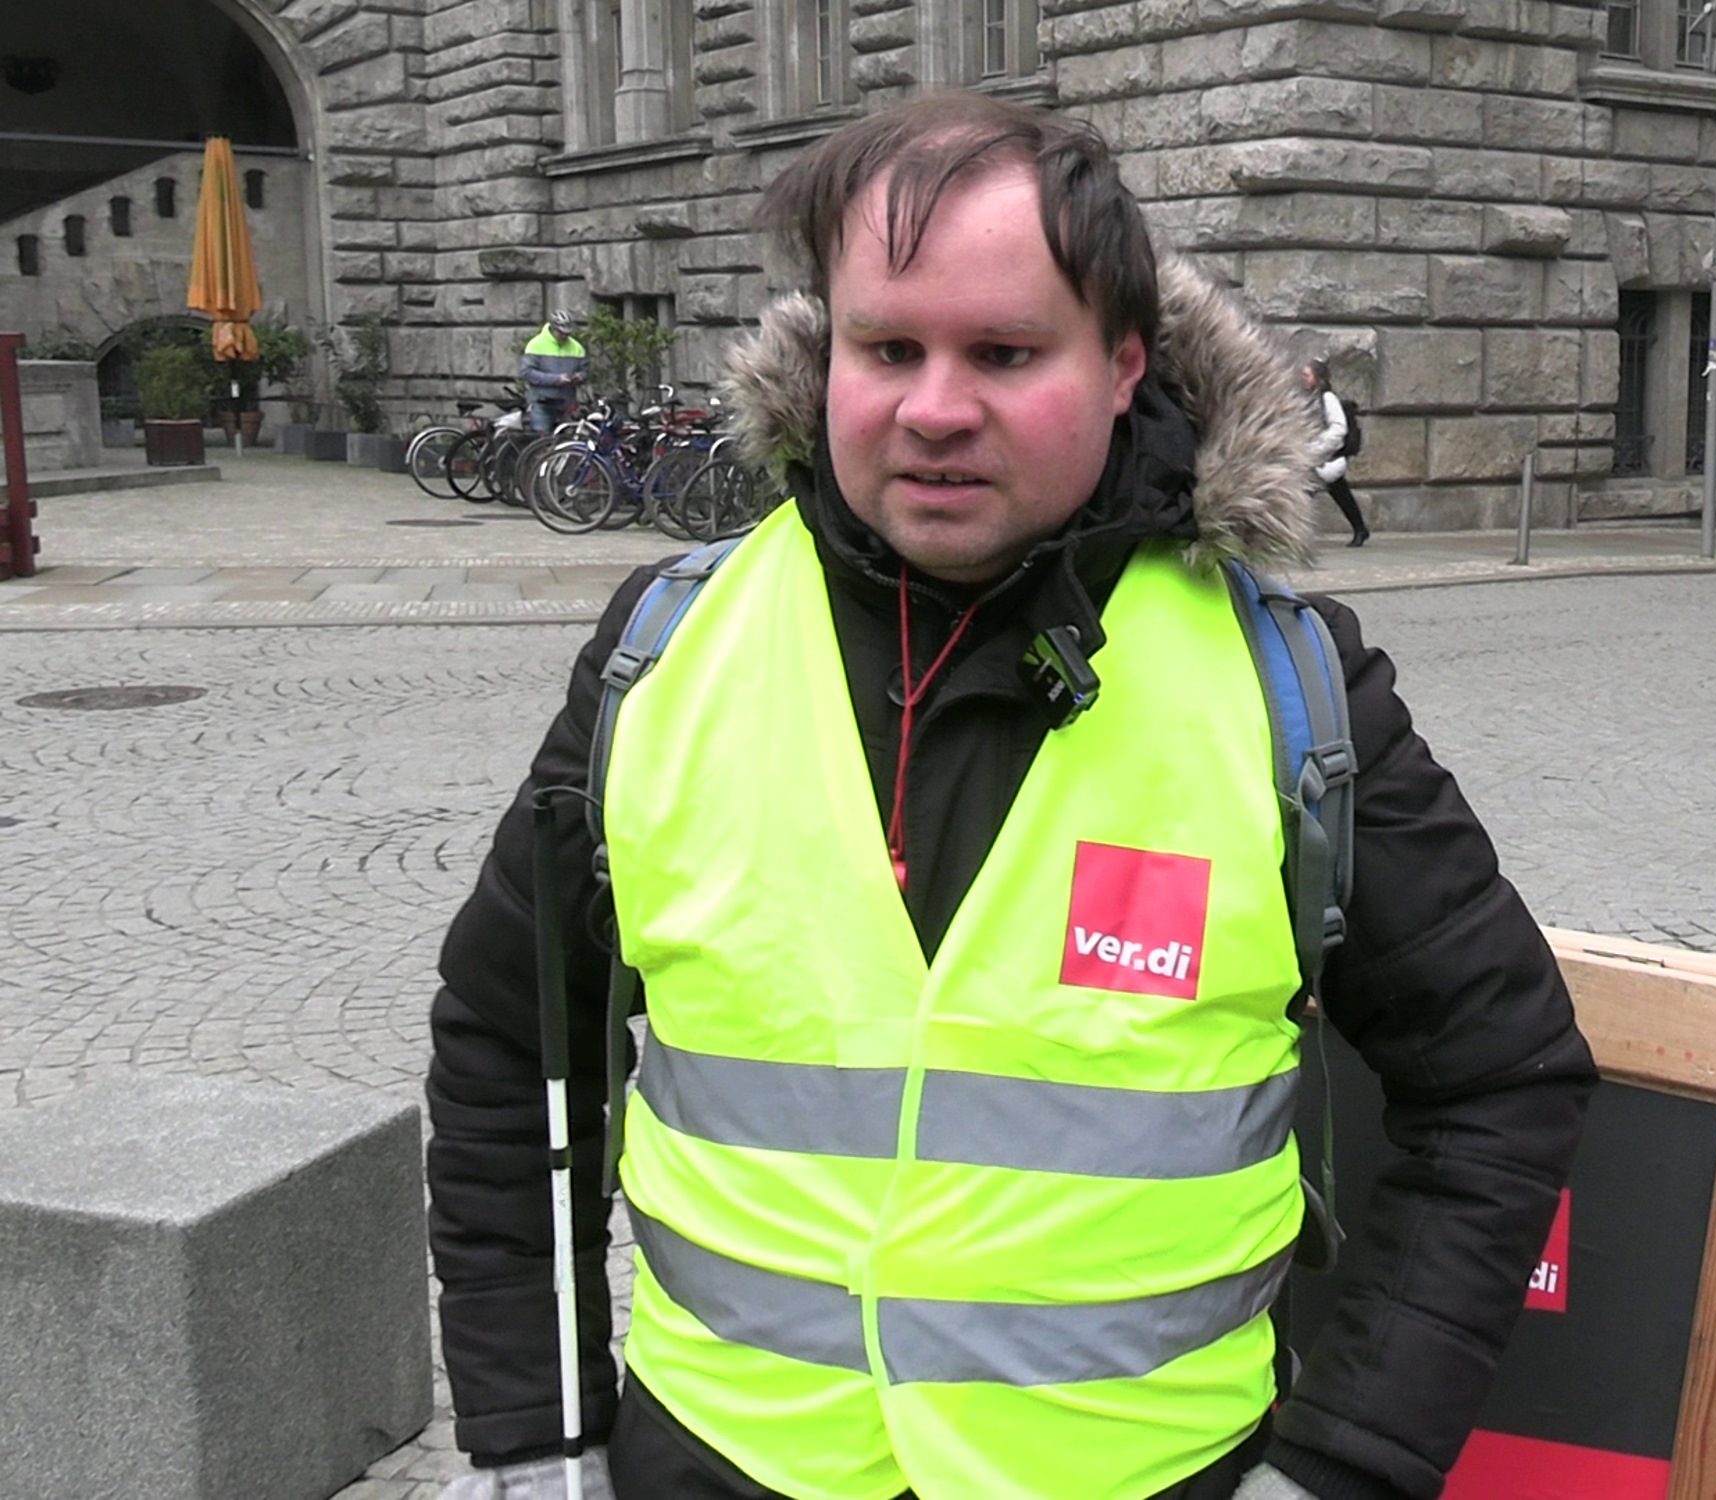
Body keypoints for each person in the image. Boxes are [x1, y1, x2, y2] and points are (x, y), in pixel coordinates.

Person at [429, 93, 1593, 1500]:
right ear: (826, 350)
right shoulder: (663, 652)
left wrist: (1343, 1464)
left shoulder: (1285, 688)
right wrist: (536, 1433)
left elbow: (1501, 1082)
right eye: (887, 348)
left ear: (1122, 364)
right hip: (718, 1464)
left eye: (1003, 353)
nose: (934, 409)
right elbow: (514, 1050)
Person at [1303, 361, 1369, 547]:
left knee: (1304, 493)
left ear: (1317, 378)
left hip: (1325, 459)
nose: (1303, 379)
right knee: (1341, 496)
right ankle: (1360, 529)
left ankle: (1299, 536)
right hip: (1316, 459)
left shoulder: (1327, 399)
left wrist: (1317, 449)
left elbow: (1339, 428)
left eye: (1307, 375)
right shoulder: (1311, 399)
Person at [520, 309, 588, 433]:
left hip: (566, 405)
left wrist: (579, 377)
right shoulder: (536, 344)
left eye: (567, 333)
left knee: (569, 440)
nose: (564, 336)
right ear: (552, 329)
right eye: (561, 333)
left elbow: (585, 371)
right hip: (542, 404)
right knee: (542, 440)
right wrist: (557, 379)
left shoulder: (577, 348)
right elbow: (527, 373)